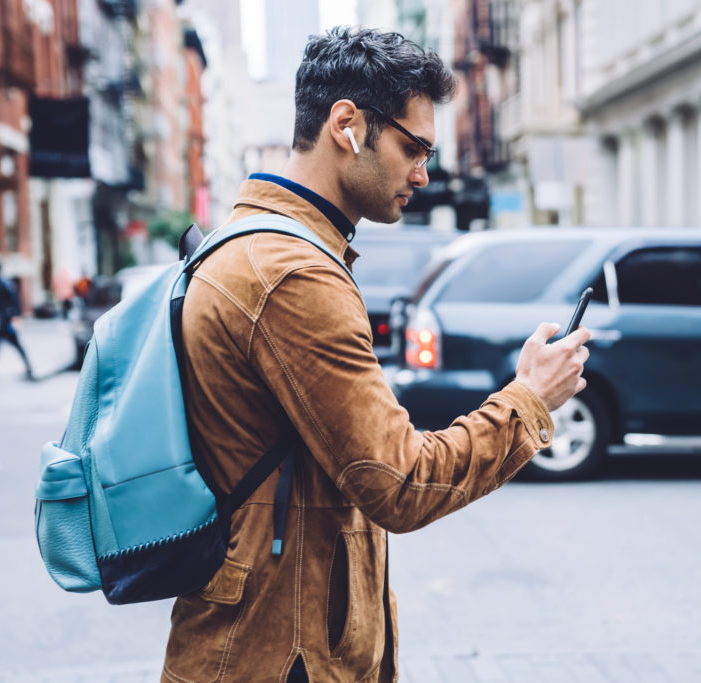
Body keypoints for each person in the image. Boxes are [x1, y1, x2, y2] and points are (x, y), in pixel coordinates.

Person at [162, 27, 590, 682]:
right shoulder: (293, 275)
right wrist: (527, 399)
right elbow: (400, 482)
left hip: (263, 642)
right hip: (280, 658)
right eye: (412, 147)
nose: (423, 172)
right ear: (347, 124)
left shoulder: (252, 245)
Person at [0, 261, 34, 380]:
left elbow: (14, 300)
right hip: (0, 322)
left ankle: (29, 368)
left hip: (6, 321)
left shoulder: (5, 283)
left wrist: (15, 317)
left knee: (16, 344)